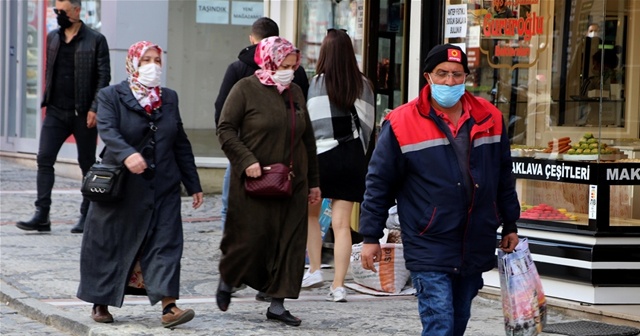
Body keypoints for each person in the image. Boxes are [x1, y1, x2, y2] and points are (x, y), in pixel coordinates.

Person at [358, 44, 520, 336]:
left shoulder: (490, 117)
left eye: (457, 75)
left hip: (475, 236)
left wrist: (510, 223)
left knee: (458, 320)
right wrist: (371, 236)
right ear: (428, 77)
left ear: (466, 77)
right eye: (442, 74)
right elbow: (379, 181)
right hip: (428, 237)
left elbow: (503, 175)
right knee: (440, 323)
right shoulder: (401, 122)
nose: (449, 81)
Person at [76, 41, 204, 328]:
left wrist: (193, 183)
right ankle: (100, 300)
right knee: (112, 243)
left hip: (164, 185)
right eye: (145, 60)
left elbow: (180, 142)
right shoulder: (111, 95)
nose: (152, 66)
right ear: (133, 63)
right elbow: (107, 129)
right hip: (122, 185)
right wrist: (128, 154)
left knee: (166, 243)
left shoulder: (169, 98)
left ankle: (169, 306)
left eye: (157, 60)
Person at [215, 36, 320, 327]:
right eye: (282, 65)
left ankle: (277, 303)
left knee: (289, 242)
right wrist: (246, 160)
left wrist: (314, 182)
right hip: (254, 182)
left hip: (293, 182)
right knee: (252, 240)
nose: (288, 70)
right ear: (268, 61)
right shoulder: (245, 89)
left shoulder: (295, 92)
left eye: (292, 65)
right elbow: (225, 129)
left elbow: (307, 139)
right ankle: (229, 278)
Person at [16, 0, 110, 234]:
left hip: (83, 113)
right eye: (56, 11)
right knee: (44, 158)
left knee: (87, 164)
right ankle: (42, 214)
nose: (58, 15)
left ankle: (86, 214)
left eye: (63, 12)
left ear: (77, 11)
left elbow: (103, 78)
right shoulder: (53, 38)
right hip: (56, 111)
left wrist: (95, 107)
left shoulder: (96, 40)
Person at [301, 29, 375, 303]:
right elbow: (368, 128)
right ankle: (339, 286)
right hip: (352, 158)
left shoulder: (316, 82)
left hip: (322, 159)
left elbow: (311, 127)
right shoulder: (363, 83)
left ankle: (315, 269)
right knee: (342, 225)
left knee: (311, 216)